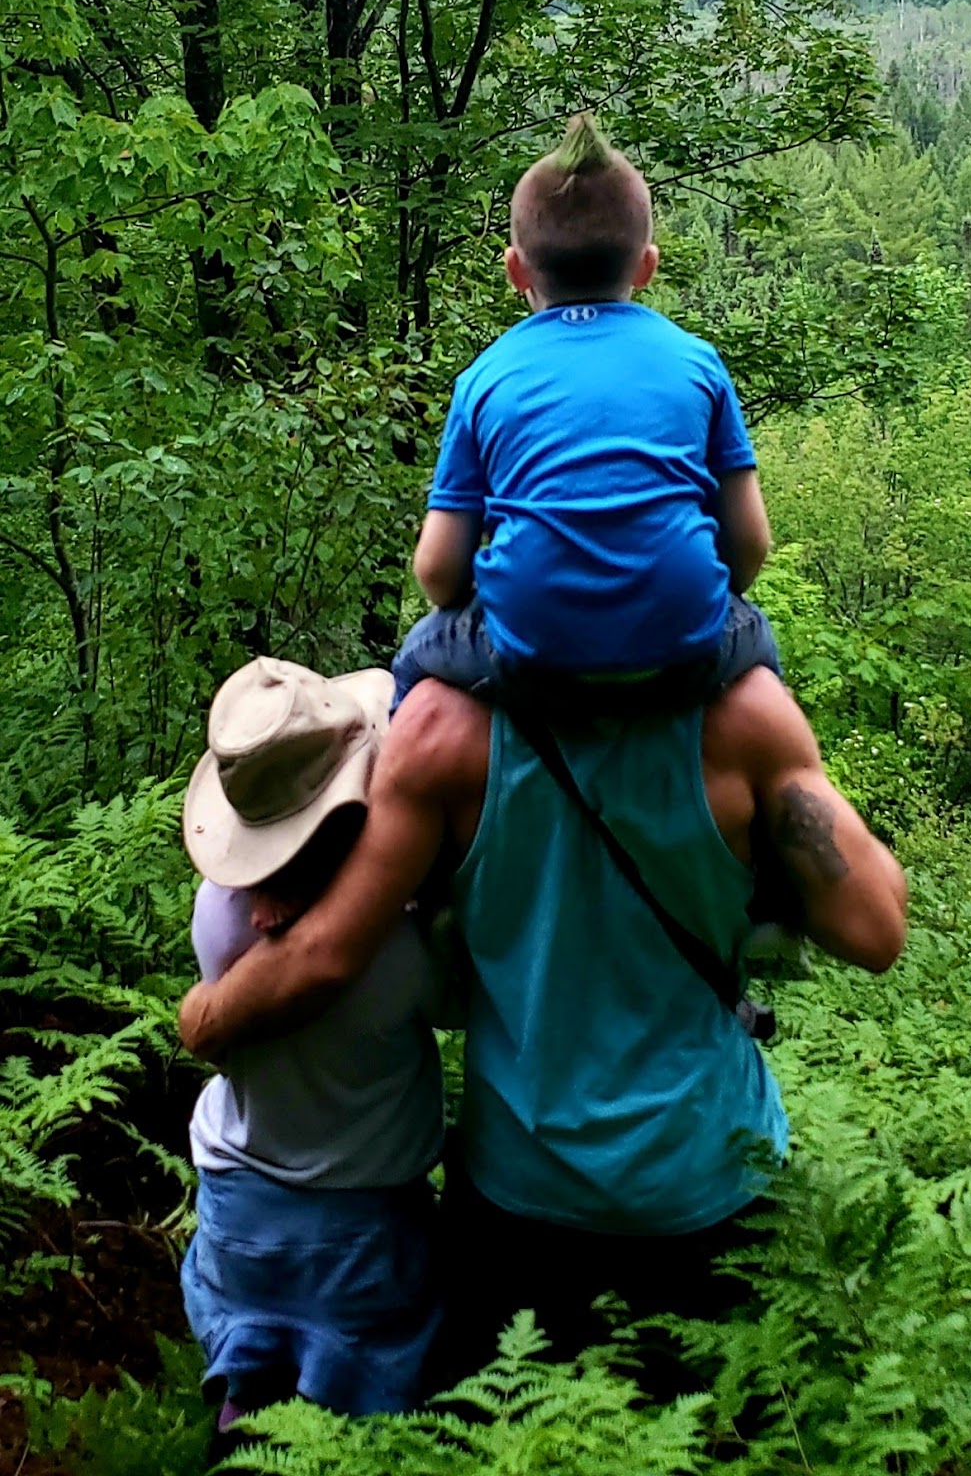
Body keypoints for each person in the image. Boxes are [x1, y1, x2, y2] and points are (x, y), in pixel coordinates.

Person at [179, 665, 906, 1376]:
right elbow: (877, 930)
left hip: (518, 1198)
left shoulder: (439, 728)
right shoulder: (745, 715)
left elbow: (328, 950)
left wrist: (207, 1015)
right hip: (711, 1180)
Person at [392, 111, 779, 715]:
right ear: (646, 266)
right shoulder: (697, 363)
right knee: (758, 646)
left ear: (514, 270)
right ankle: (769, 780)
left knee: (415, 655)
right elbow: (750, 545)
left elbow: (438, 573)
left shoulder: (486, 377)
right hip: (684, 648)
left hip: (530, 656)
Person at [178, 659, 444, 1427]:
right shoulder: (395, 950)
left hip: (240, 1207)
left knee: (251, 1375)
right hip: (365, 1223)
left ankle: (241, 1426)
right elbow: (456, 1000)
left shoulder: (216, 913)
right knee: (367, 1396)